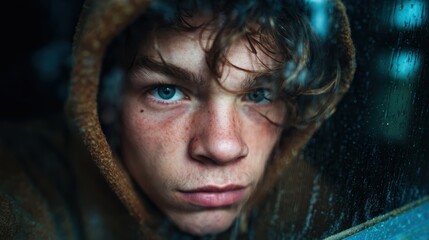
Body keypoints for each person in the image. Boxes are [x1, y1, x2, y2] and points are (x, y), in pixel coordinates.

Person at [0, 0, 355, 239]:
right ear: (100, 99)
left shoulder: (303, 200)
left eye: (259, 94)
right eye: (167, 91)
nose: (222, 146)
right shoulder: (21, 184)